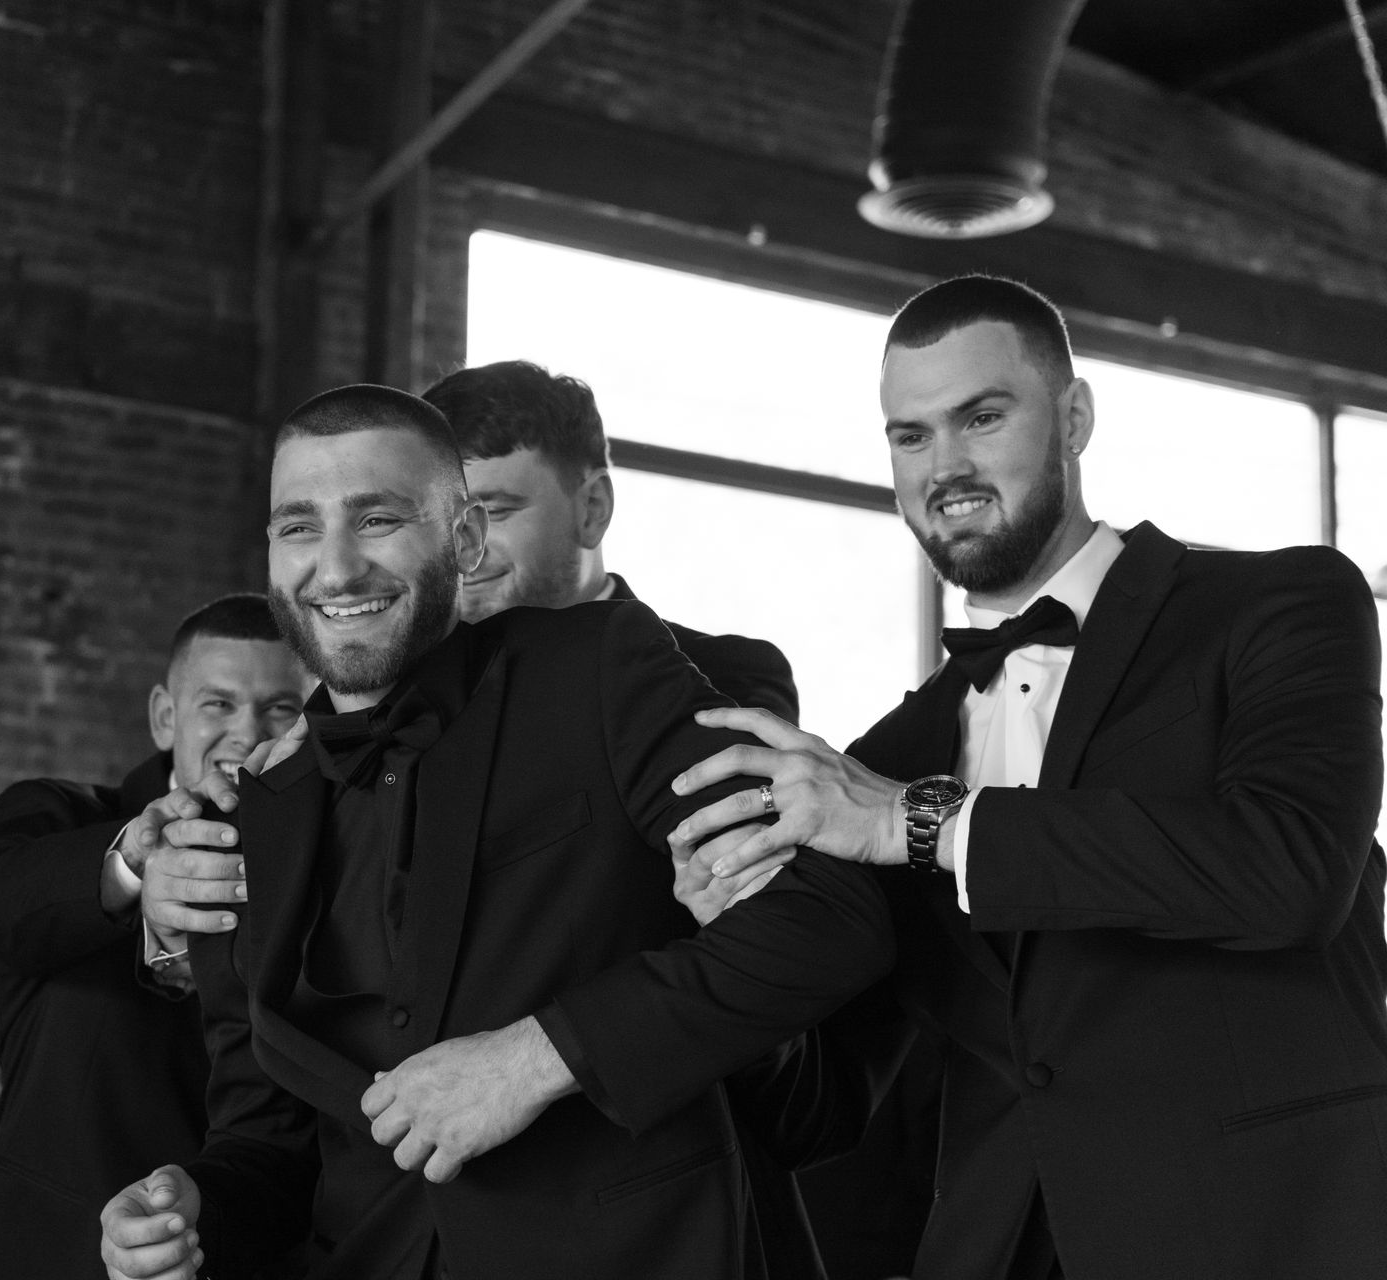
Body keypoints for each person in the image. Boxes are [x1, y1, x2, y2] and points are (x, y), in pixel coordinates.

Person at [667, 275, 1387, 1278]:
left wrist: (931, 825)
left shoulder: (1279, 602)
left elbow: (1291, 871)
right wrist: (742, 932)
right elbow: (822, 1108)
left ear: (1075, 418)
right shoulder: (886, 763)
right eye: (910, 435)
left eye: (982, 417)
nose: (944, 467)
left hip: (1269, 1231)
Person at [98, 385, 892, 1280]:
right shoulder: (249, 809)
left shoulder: (598, 670)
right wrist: (193, 1210)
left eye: (377, 519)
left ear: (465, 539)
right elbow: (267, 1146)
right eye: (298, 527)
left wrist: (535, 1059)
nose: (336, 567)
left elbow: (830, 917)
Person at [0, 594, 306, 1280]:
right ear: (165, 717)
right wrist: (132, 862)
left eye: (280, 708)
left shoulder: (330, 874)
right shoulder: (59, 817)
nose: (247, 733)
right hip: (30, 1255)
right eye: (218, 704)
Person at [423, 359, 798, 721]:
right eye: (438, 522)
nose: (460, 549)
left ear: (593, 508)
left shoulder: (725, 674)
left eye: (494, 511)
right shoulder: (413, 680)